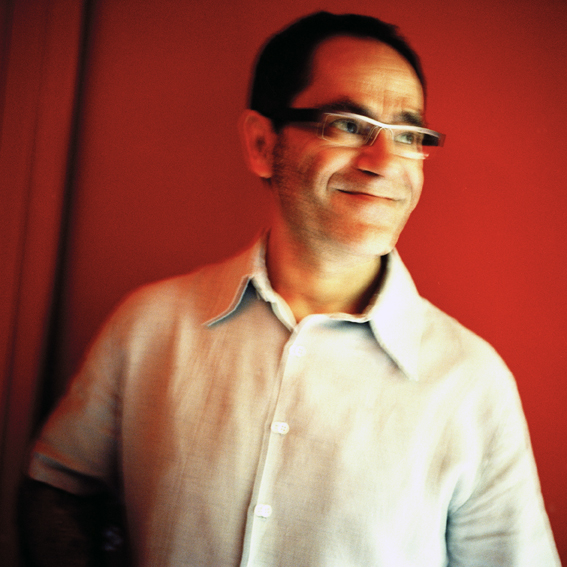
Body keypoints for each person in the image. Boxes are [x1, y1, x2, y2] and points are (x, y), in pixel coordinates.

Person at [21, 11, 560, 567]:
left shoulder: (471, 383)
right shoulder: (148, 327)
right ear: (262, 143)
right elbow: (58, 487)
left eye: (407, 135)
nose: (384, 163)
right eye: (347, 125)